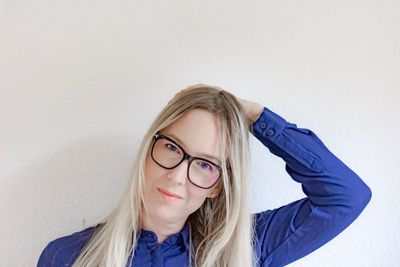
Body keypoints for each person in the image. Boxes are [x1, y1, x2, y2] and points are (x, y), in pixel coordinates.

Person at [37, 84, 372, 267]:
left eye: (205, 164)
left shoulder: (244, 250)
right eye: (172, 147)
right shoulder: (66, 257)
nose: (179, 176)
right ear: (147, 151)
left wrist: (254, 115)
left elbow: (346, 196)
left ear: (217, 187)